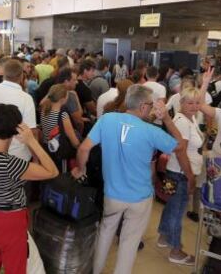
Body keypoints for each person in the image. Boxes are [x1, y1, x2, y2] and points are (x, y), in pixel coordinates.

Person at [77, 84, 187, 274]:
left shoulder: (107, 120)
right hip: (140, 197)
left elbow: (84, 148)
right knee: (129, 243)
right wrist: (167, 118)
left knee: (104, 233)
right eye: (151, 105)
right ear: (143, 106)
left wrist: (80, 169)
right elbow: (180, 145)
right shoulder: (150, 131)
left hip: (112, 194)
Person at [0, 104, 58, 274]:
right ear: (15, 130)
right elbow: (52, 171)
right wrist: (32, 141)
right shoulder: (12, 164)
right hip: (10, 221)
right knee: (15, 267)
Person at [157, 87, 203, 266]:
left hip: (174, 172)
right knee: (178, 212)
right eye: (190, 102)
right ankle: (176, 251)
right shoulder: (182, 121)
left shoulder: (189, 118)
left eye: (197, 102)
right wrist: (190, 176)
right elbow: (180, 152)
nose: (194, 106)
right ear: (181, 103)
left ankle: (163, 236)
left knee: (171, 206)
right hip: (180, 174)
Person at [0, 59, 37, 161]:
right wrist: (36, 158)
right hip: (18, 155)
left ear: (3, 73)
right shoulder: (26, 98)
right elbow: (31, 131)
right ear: (22, 75)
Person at [40, 84, 81, 168]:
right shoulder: (62, 114)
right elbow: (73, 139)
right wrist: (80, 148)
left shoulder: (44, 109)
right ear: (63, 99)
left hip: (47, 149)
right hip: (59, 152)